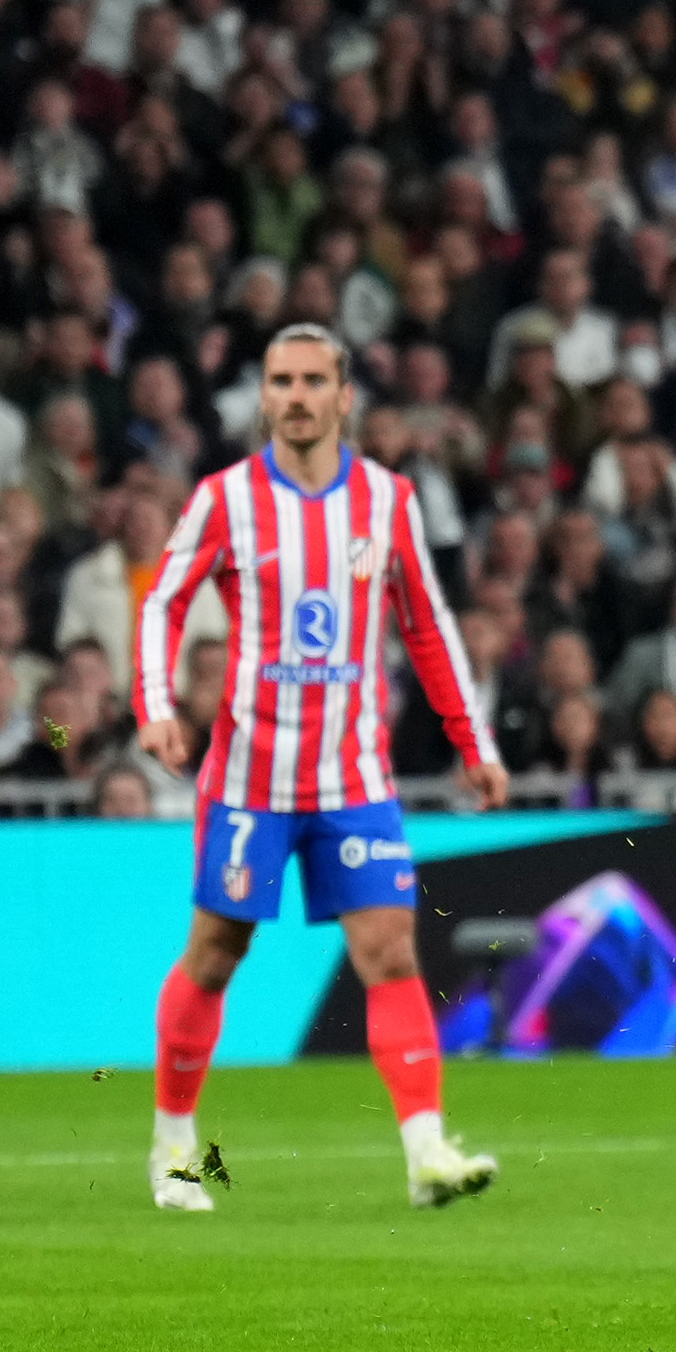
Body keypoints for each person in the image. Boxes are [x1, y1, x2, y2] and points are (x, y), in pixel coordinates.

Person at [131, 324, 510, 1213]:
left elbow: (426, 626)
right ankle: (175, 1146)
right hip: (251, 780)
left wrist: (474, 742)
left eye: (313, 381)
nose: (295, 396)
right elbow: (164, 603)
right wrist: (153, 705)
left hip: (353, 779)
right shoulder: (226, 498)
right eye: (280, 381)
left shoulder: (386, 500)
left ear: (346, 398)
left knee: (390, 951)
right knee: (216, 955)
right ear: (263, 398)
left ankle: (426, 1152)